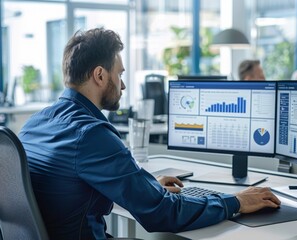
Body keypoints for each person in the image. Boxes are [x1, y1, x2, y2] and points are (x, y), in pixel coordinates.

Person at [18, 28, 280, 239]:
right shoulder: (91, 135)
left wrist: (148, 185)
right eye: (118, 74)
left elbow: (73, 185)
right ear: (99, 75)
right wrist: (234, 202)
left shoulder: (34, 124)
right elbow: (162, 213)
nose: (122, 85)